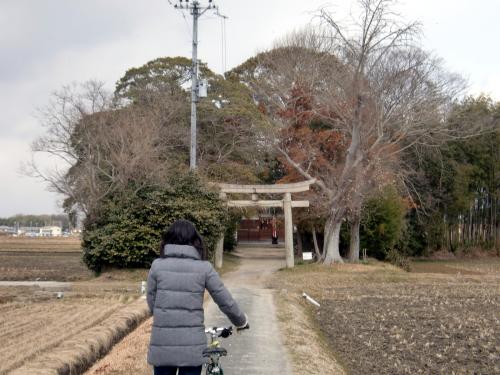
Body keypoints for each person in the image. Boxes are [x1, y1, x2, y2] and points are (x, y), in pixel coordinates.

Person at [146, 219, 249, 375]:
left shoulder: (157, 265)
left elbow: (151, 298)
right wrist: (241, 321)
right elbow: (224, 299)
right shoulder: (204, 268)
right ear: (195, 240)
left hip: (162, 345)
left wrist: (164, 315)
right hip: (192, 347)